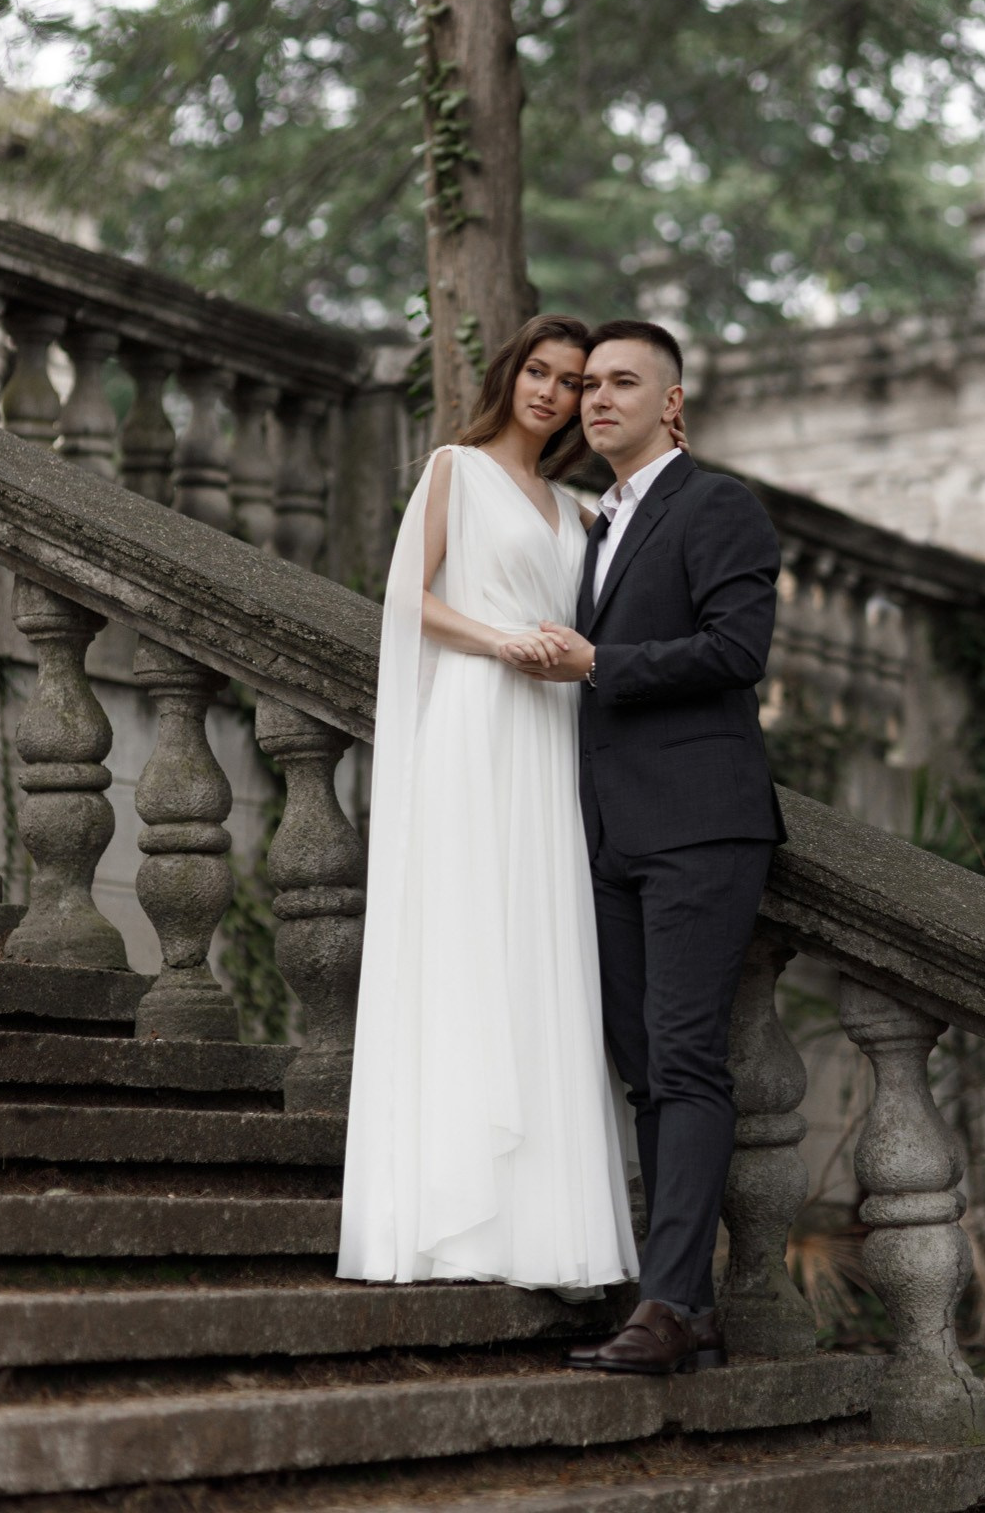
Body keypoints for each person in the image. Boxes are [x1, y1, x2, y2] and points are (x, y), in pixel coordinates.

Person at [338, 314, 655, 1293]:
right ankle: (454, 1218)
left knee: (542, 955)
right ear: (509, 374)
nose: (551, 391)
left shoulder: (576, 507)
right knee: (471, 946)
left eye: (570, 381)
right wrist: (498, 642)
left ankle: (545, 1233)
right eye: (539, 371)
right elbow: (405, 597)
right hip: (478, 723)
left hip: (552, 737)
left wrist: (560, 654)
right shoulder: (455, 469)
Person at [509, 318, 785, 1373]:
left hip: (701, 825)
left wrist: (596, 663)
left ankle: (666, 1304)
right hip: (610, 832)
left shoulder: (716, 504)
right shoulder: (593, 526)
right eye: (588, 385)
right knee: (642, 1072)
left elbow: (735, 650)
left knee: (681, 1058)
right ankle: (690, 1305)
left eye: (624, 382)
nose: (597, 399)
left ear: (671, 402)